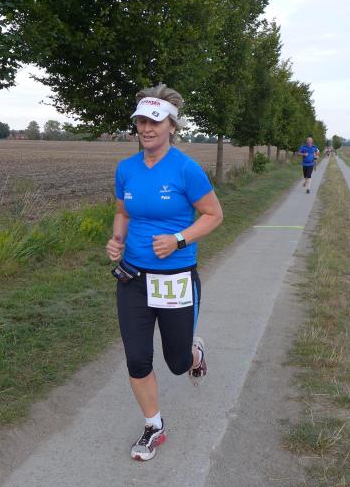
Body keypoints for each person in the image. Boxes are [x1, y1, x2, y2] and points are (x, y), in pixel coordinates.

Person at [106, 84, 223, 462]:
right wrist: (117, 240)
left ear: (172, 126)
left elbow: (214, 215)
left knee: (176, 363)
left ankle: (194, 352)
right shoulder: (126, 169)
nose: (146, 128)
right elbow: (123, 212)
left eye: (155, 122)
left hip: (175, 279)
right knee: (137, 359)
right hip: (133, 279)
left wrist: (178, 239)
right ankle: (153, 426)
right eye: (141, 121)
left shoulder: (186, 169)